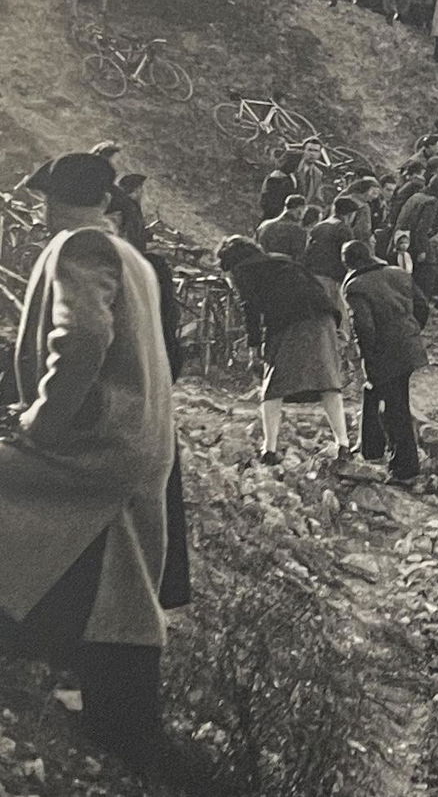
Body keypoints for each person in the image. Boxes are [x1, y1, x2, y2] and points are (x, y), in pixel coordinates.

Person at [0, 152, 180, 779]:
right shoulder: (129, 252)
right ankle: (114, 719)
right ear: (107, 198)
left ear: (46, 201)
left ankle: (23, 644)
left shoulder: (77, 245)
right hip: (137, 445)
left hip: (95, 448)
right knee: (119, 594)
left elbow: (80, 341)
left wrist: (40, 422)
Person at [218, 234, 349, 464]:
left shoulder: (242, 270)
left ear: (229, 262)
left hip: (291, 322)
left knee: (273, 385)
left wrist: (254, 348)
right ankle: (343, 444)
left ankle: (269, 450)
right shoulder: (281, 260)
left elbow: (250, 309)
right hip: (323, 317)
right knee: (328, 381)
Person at [341, 239, 428, 486]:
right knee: (379, 393)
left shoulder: (356, 286)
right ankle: (371, 447)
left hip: (383, 351)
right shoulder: (398, 273)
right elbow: (422, 305)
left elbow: (364, 326)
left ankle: (405, 469)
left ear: (348, 263)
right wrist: (411, 331)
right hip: (409, 345)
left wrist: (368, 356)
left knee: (395, 409)